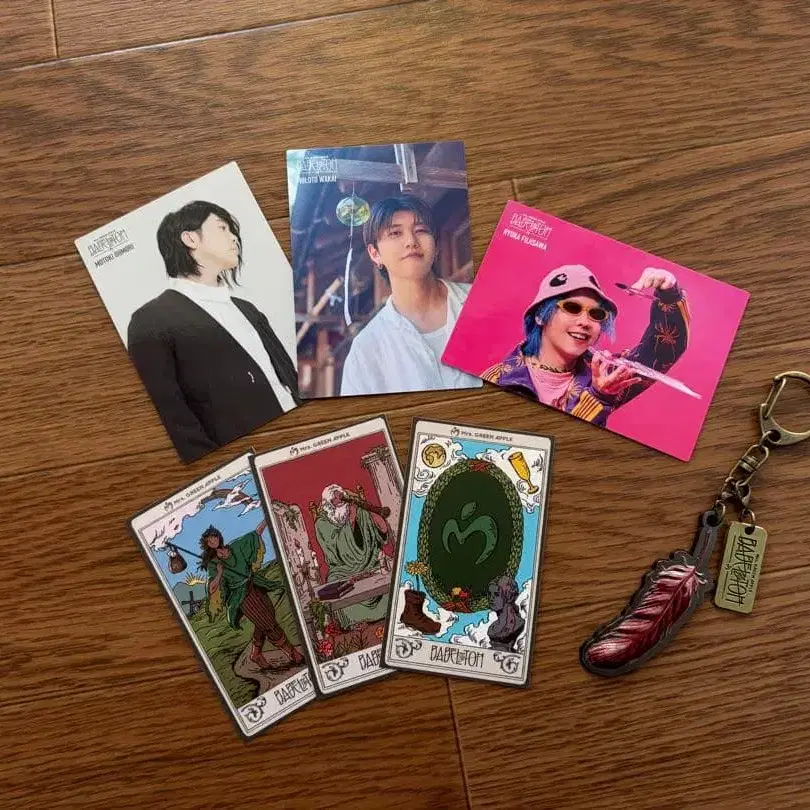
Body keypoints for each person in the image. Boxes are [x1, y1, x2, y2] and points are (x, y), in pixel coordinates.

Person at [127, 200, 299, 463]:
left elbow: (289, 378)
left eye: (232, 231)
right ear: (190, 238)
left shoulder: (247, 309)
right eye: (222, 228)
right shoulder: (151, 320)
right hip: (246, 458)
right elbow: (174, 418)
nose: (234, 238)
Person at [483, 264, 690, 425]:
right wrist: (598, 398)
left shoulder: (605, 375)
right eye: (572, 308)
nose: (585, 322)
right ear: (540, 315)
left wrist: (670, 294)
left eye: (596, 314)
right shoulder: (498, 379)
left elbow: (661, 351)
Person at [340, 195, 482, 395]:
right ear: (375, 253)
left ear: (436, 246)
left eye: (421, 230)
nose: (411, 241)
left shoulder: (481, 303)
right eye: (395, 233)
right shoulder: (366, 350)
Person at [201, 522, 304, 670]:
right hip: (241, 595)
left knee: (268, 615)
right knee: (267, 623)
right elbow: (212, 589)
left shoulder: (235, 547)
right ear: (207, 545)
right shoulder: (214, 563)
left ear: (219, 536)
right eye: (209, 541)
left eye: (214, 537)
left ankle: (255, 654)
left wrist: (266, 520)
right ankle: (292, 653)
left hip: (254, 584)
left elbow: (255, 534)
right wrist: (219, 573)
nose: (213, 541)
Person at [314, 485, 391, 629]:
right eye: (335, 498)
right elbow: (336, 547)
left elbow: (382, 529)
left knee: (388, 567)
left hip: (369, 560)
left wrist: (368, 510)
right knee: (334, 581)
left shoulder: (357, 510)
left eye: (341, 495)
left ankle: (389, 610)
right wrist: (351, 519)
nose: (340, 500)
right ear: (328, 503)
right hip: (343, 568)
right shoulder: (321, 523)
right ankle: (355, 621)